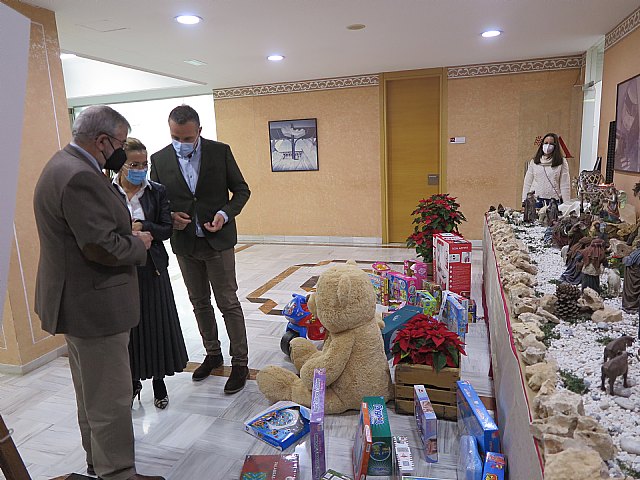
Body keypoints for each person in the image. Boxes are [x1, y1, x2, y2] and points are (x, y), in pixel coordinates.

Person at [33, 106, 164, 480]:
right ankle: (118, 472)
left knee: (90, 395)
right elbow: (101, 246)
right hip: (95, 304)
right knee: (110, 398)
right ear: (103, 140)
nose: (121, 152)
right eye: (120, 144)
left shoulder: (62, 164)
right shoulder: (79, 177)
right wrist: (138, 242)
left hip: (78, 302)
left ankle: (99, 463)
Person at [150, 105, 251, 394]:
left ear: (199, 132)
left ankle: (240, 362)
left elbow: (242, 190)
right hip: (185, 244)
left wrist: (225, 213)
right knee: (199, 302)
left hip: (218, 242)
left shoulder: (220, 152)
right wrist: (170, 218)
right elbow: (158, 202)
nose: (180, 143)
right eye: (175, 136)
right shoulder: (160, 159)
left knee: (228, 303)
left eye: (186, 137)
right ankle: (213, 353)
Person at [114, 138, 189, 410]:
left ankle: (159, 382)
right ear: (121, 166)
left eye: (144, 164)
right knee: (130, 330)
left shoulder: (156, 191)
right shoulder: (108, 192)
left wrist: (144, 225)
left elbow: (166, 229)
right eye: (134, 164)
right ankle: (133, 381)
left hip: (153, 267)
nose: (140, 169)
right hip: (121, 270)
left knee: (156, 325)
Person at [522, 133, 571, 208]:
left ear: (555, 146)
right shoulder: (534, 161)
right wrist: (524, 200)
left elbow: (565, 184)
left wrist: (566, 204)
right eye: (546, 143)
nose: (548, 145)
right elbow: (528, 182)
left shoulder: (561, 162)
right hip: (536, 201)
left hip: (553, 201)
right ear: (542, 144)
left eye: (551, 143)